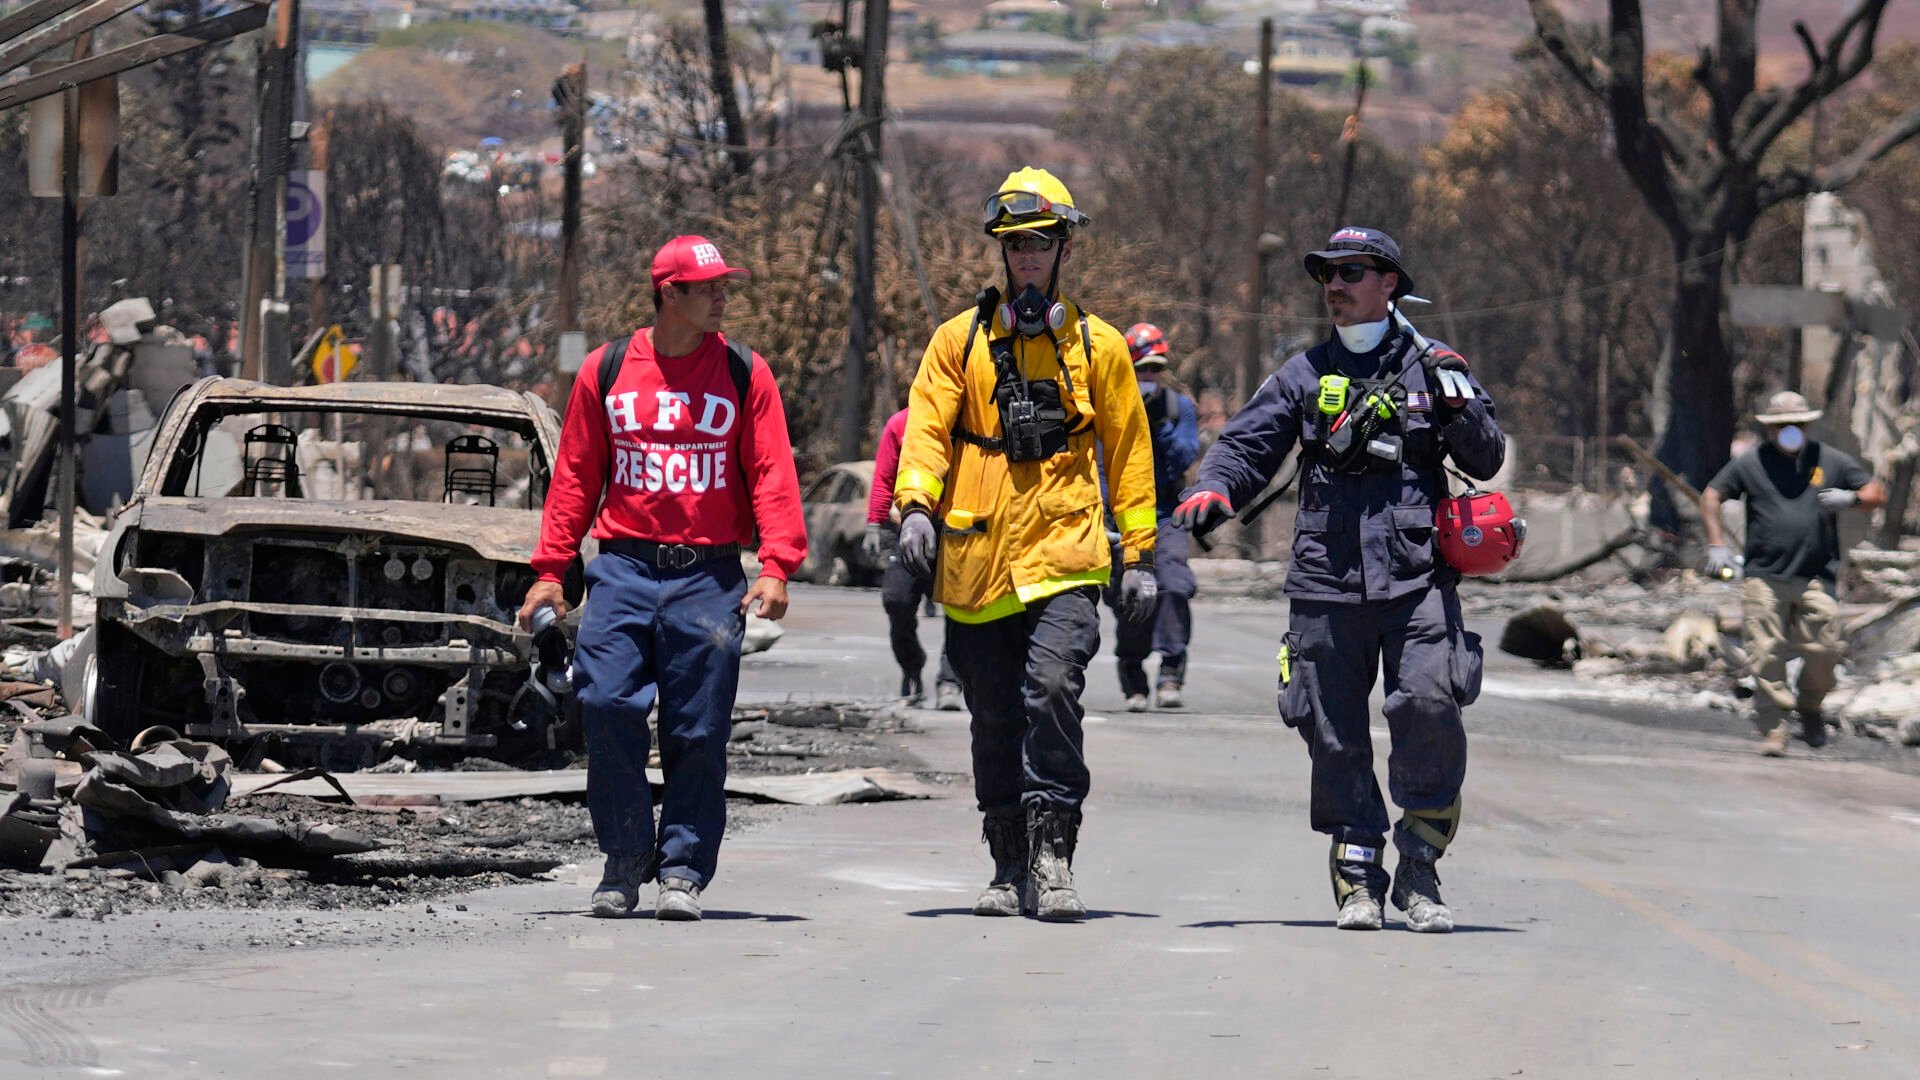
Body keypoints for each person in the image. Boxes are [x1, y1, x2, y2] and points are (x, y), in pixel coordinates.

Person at [1171, 226, 1505, 934]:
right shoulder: (1303, 372)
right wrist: (1216, 487)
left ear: (1390, 284)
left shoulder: (1434, 367)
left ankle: (1421, 863)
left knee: (1429, 701)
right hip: (1326, 581)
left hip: (1417, 579)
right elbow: (1247, 443)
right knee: (1331, 729)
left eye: (1353, 271)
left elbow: (1485, 456)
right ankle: (1357, 871)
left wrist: (1457, 401)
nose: (1335, 284)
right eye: (1327, 272)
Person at [893, 167, 1159, 921]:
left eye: (1041, 244)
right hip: (978, 564)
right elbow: (927, 428)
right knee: (994, 718)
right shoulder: (958, 342)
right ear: (1001, 254)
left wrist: (1137, 555)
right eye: (1016, 246)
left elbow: (1130, 453)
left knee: (1049, 691)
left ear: (1064, 249)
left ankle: (1054, 855)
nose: (1028, 258)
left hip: (1066, 556)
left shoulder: (1099, 347)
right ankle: (1008, 863)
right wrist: (914, 505)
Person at [521, 235, 806, 922]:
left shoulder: (743, 372)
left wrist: (777, 564)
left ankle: (681, 868)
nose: (721, 296)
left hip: (708, 576)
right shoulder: (607, 369)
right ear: (667, 293)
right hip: (621, 568)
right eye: (706, 287)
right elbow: (576, 480)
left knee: (698, 730)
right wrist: (550, 573)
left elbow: (771, 471)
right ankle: (624, 860)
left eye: (723, 285)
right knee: (606, 703)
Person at [1701, 390, 1886, 757]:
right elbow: (1711, 495)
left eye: (1796, 424)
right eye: (1781, 425)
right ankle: (1774, 729)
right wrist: (1717, 544)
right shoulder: (1753, 462)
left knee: (1825, 647)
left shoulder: (1828, 460)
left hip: (1817, 576)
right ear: (1771, 429)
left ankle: (1810, 706)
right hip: (1764, 576)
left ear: (1806, 426)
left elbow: (1875, 492)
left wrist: (1851, 500)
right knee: (1765, 652)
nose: (1789, 431)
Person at [1112, 323, 1200, 711]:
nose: (1148, 376)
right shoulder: (1109, 405)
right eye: (1141, 368)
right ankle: (1132, 674)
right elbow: (1097, 464)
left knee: (1174, 585)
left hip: (1166, 515)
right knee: (1128, 596)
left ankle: (1170, 670)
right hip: (1121, 519)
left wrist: (1161, 425)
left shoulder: (1178, 408)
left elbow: (1184, 457)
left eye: (1155, 369)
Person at [863, 406, 963, 708]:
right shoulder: (900, 424)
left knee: (960, 610)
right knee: (897, 600)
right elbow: (884, 476)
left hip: (955, 529)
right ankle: (912, 663)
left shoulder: (969, 420)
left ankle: (950, 681)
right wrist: (874, 523)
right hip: (907, 525)